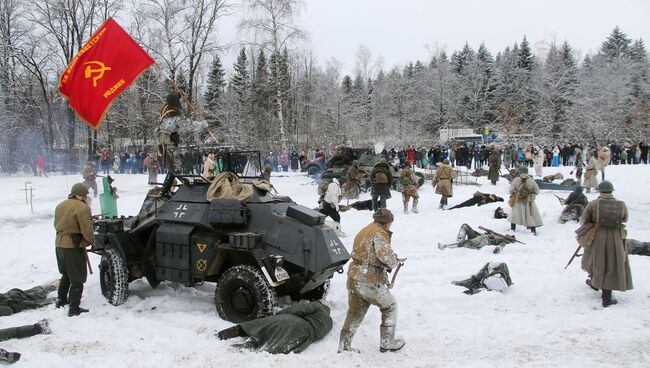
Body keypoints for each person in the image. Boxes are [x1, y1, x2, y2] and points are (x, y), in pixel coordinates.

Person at [339, 209, 405, 353]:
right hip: (369, 280)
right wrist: (394, 261)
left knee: (355, 312)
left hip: (354, 277)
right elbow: (385, 256)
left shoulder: (366, 229)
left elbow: (368, 253)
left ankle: (344, 346)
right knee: (390, 306)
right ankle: (387, 342)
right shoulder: (380, 233)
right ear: (387, 222)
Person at [580, 180, 632, 307]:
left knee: (596, 261)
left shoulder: (593, 204)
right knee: (613, 263)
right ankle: (604, 292)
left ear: (600, 191)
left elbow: (583, 220)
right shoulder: (621, 204)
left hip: (597, 236)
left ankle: (602, 293)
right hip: (616, 237)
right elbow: (625, 218)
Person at [217, 301, 332, 354]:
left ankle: (224, 334)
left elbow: (298, 309)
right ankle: (248, 346)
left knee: (262, 325)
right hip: (305, 338)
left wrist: (280, 314)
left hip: (296, 323)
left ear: (321, 303)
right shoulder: (330, 322)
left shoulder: (317, 306)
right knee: (273, 343)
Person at [54, 183, 96, 317]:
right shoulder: (82, 207)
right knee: (77, 277)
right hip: (73, 246)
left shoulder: (60, 205)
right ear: (81, 196)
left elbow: (56, 224)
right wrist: (93, 242)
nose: (85, 198)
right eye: (85, 196)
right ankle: (74, 308)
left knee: (66, 274)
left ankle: (61, 300)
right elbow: (86, 229)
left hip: (59, 244)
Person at [507, 167, 543, 235]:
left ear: (520, 172)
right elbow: (537, 191)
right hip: (528, 201)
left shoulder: (516, 179)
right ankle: (533, 231)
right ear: (527, 172)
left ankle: (512, 229)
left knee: (514, 215)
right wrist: (532, 196)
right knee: (530, 215)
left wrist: (513, 194)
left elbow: (510, 190)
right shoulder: (531, 180)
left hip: (518, 199)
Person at [438, 224, 516, 254]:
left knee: (470, 242)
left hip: (485, 240)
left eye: (510, 236)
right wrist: (489, 231)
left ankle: (446, 246)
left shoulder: (503, 239)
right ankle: (459, 240)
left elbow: (502, 245)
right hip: (478, 235)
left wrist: (498, 249)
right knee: (465, 226)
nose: (507, 235)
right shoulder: (496, 234)